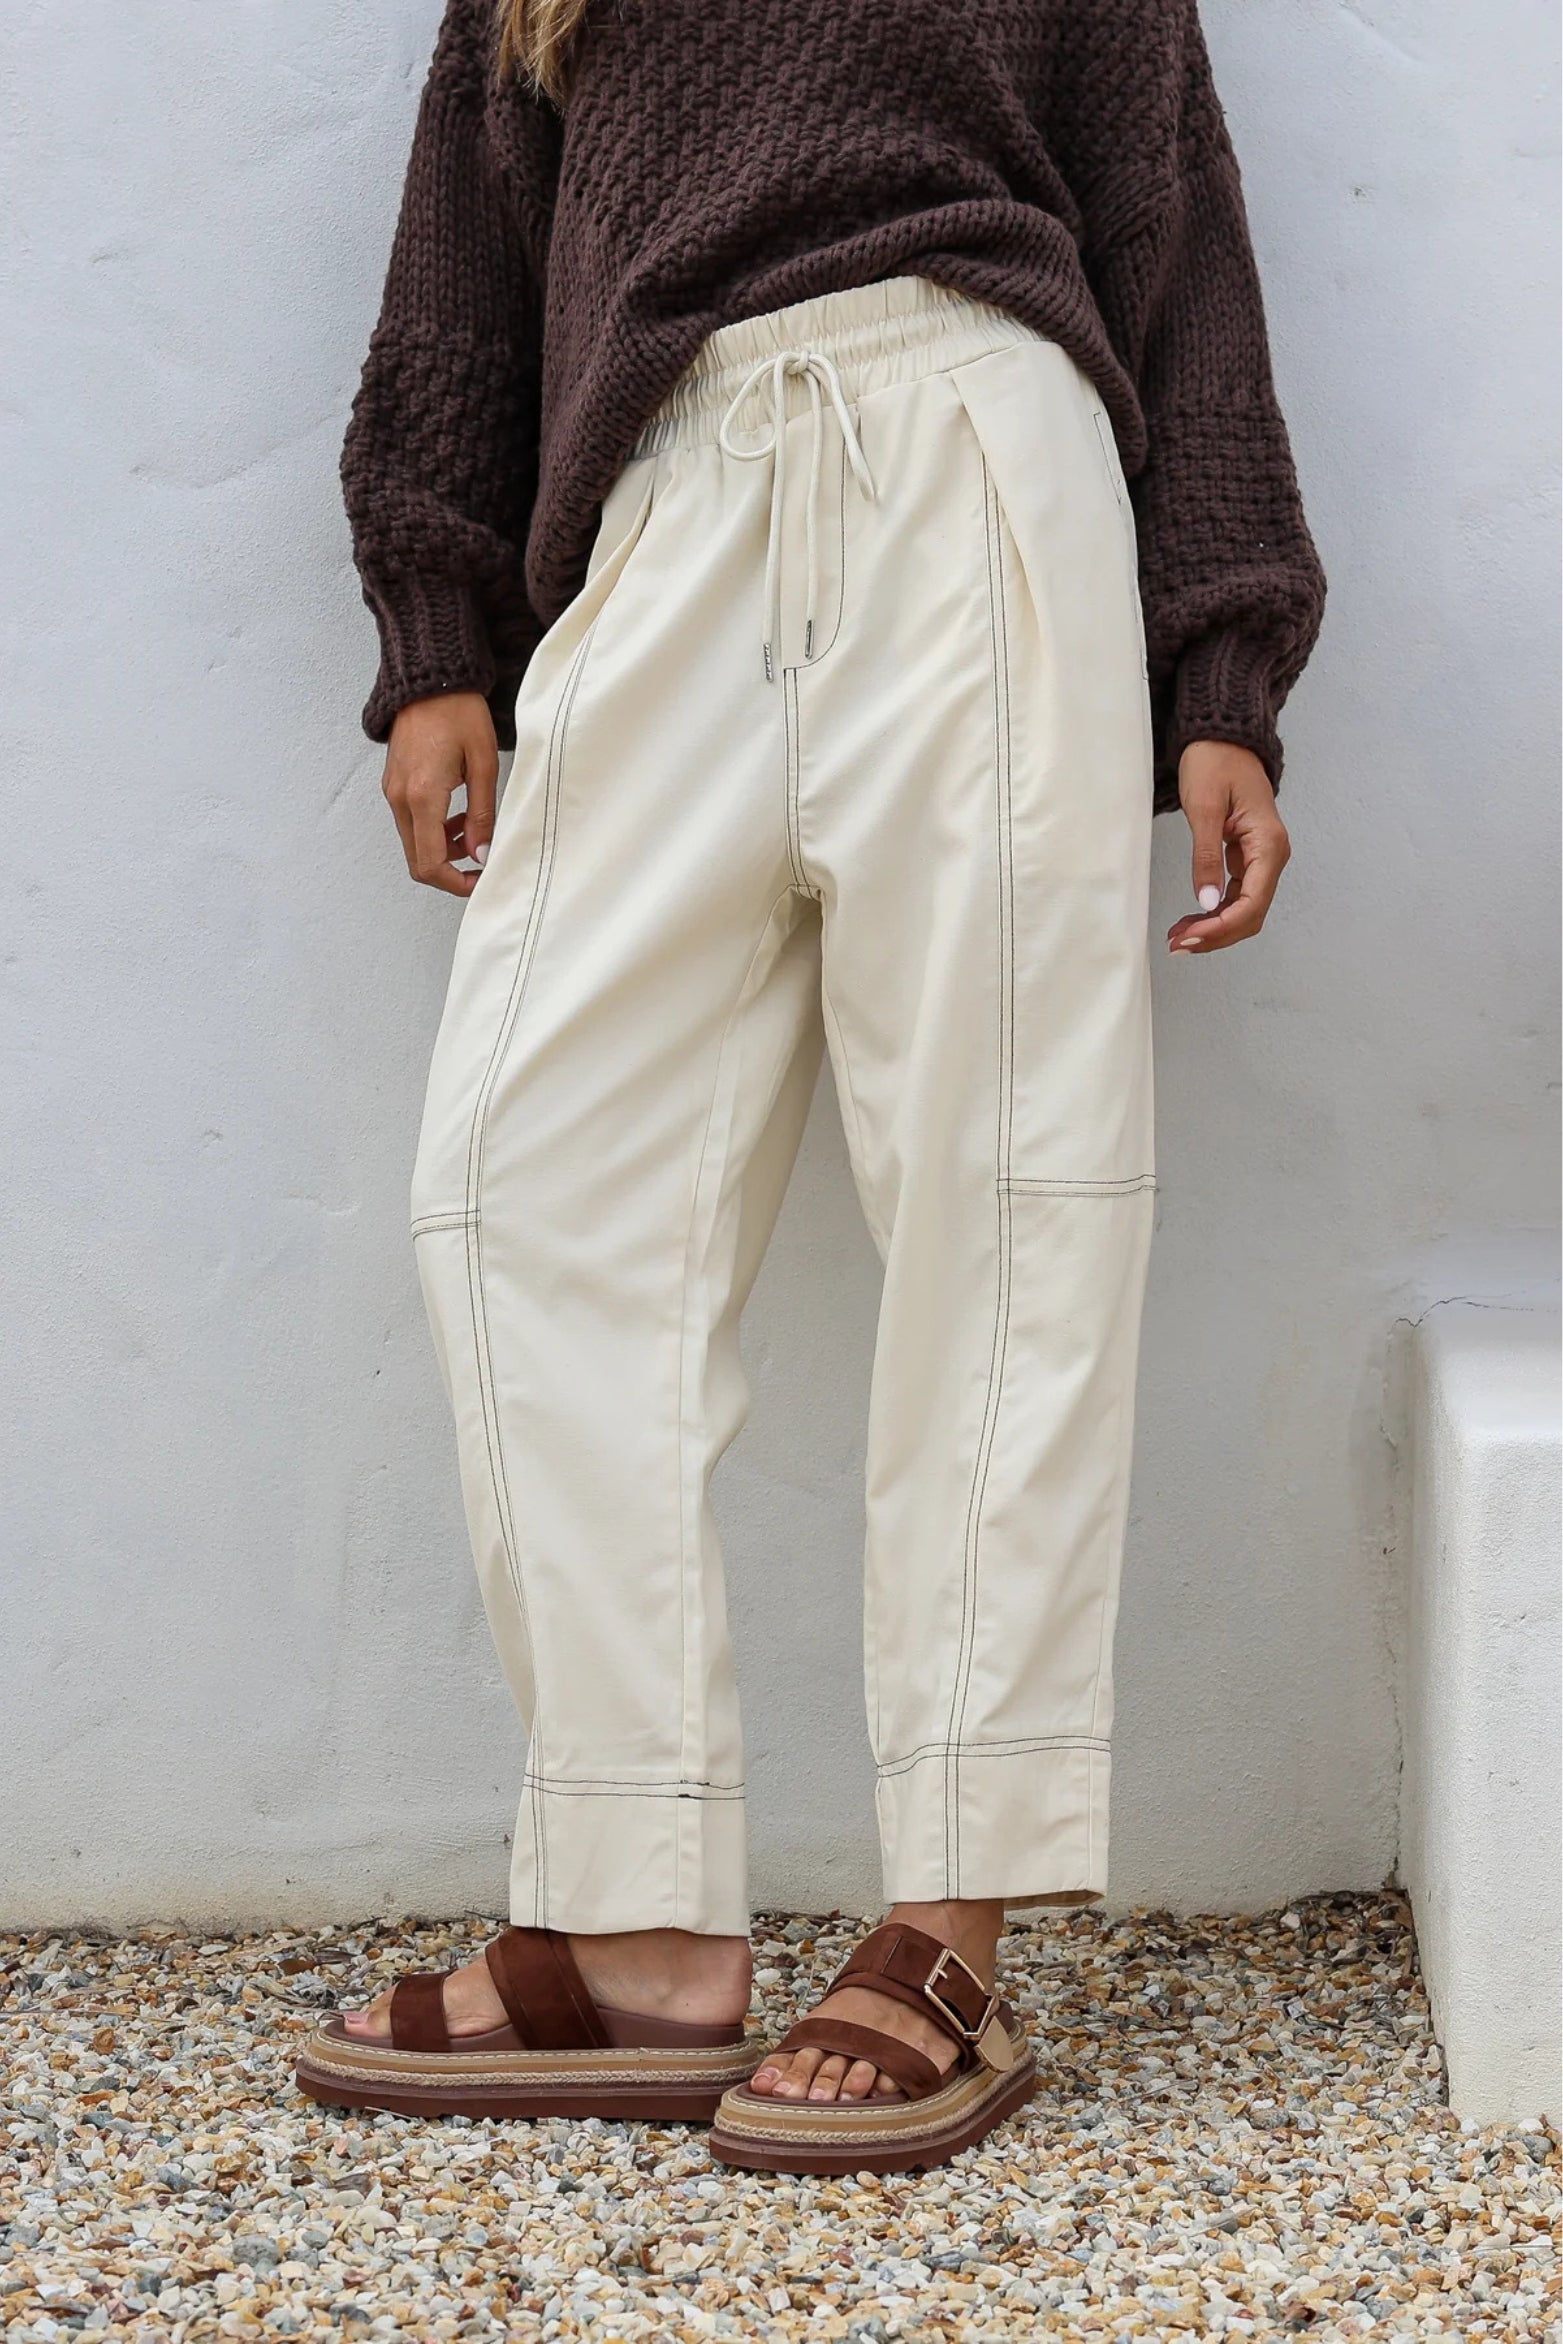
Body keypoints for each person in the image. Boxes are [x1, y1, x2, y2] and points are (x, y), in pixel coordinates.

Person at [293, 0, 1324, 2174]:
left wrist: (1221, 664)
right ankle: (639, 1913)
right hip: (661, 499)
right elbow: (468, 251)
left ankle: (950, 1916)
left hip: (978, 447)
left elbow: (1173, 227)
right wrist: (440, 629)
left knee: (1006, 1185)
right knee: (517, 1185)